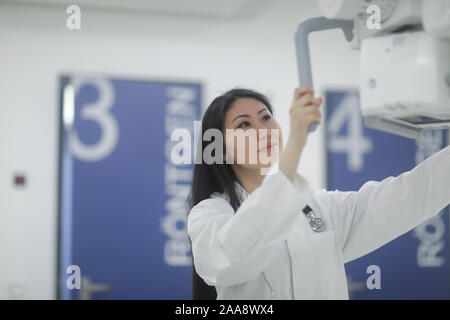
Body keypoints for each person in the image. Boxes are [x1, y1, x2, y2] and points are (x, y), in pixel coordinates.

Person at [186, 86, 450, 299]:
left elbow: (411, 194)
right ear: (220, 150)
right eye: (244, 125)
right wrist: (297, 142)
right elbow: (232, 258)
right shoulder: (209, 216)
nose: (262, 129)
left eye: (266, 117)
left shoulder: (321, 209)